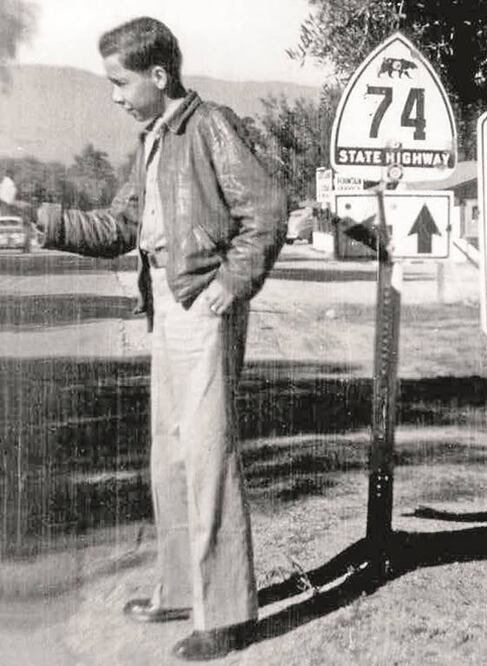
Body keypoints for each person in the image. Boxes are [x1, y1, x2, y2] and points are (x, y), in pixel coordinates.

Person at [37, 17, 287, 661]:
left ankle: (226, 614)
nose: (114, 96)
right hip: (168, 307)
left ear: (158, 75)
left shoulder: (210, 127)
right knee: (171, 456)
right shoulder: (151, 139)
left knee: (206, 458)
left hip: (202, 306)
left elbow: (266, 212)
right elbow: (122, 228)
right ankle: (181, 590)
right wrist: (46, 220)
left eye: (120, 83)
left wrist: (231, 284)